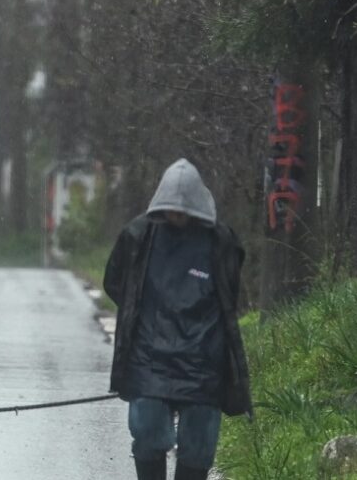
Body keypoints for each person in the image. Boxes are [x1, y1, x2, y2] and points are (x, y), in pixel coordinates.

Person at [103, 158, 252, 480]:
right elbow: (116, 283)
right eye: (172, 209)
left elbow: (229, 292)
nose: (177, 216)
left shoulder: (221, 241)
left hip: (202, 357)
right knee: (147, 429)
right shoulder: (138, 235)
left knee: (199, 439)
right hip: (149, 355)